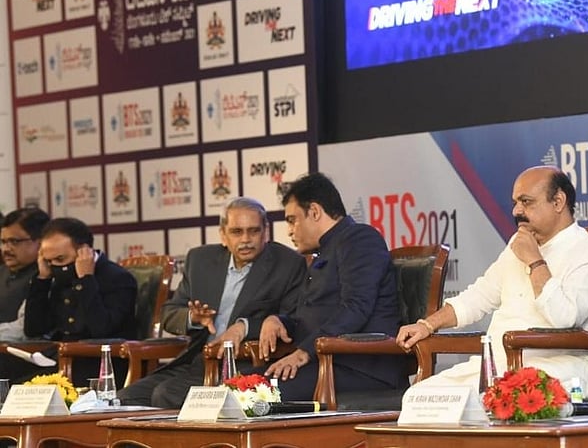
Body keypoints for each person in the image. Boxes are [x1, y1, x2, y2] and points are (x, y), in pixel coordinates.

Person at [396, 166, 588, 398]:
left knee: (491, 400)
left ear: (558, 201)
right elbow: (479, 296)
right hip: (501, 366)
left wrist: (535, 262)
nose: (517, 211)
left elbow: (565, 318)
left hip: (562, 366)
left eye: (526, 202)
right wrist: (427, 325)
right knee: (419, 398)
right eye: (515, 203)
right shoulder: (518, 244)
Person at [118, 197, 304, 408]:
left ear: (266, 232)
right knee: (125, 398)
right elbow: (169, 313)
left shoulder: (287, 264)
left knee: (166, 395)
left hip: (243, 364)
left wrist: (244, 327)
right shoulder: (200, 260)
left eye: (254, 231)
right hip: (198, 359)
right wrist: (193, 318)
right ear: (223, 235)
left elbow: (291, 320)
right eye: (236, 232)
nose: (246, 239)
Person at [257, 172, 407, 401]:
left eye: (292, 220)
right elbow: (311, 317)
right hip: (324, 362)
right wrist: (278, 320)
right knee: (233, 389)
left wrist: (304, 352)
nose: (289, 231)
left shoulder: (359, 239)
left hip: (359, 368)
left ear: (315, 211)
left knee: (253, 395)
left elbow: (356, 307)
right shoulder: (324, 252)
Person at [21, 217, 137, 386]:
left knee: (21, 388)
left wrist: (86, 279)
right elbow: (34, 329)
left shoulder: (117, 278)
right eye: (48, 260)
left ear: (84, 251)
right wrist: (42, 279)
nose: (55, 266)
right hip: (61, 358)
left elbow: (101, 329)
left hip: (100, 364)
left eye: (60, 259)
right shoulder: (58, 276)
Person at [0, 208, 49, 342]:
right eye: (3, 242)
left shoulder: (45, 278)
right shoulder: (2, 271)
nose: (6, 249)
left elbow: (23, 330)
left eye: (14, 241)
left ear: (40, 243)